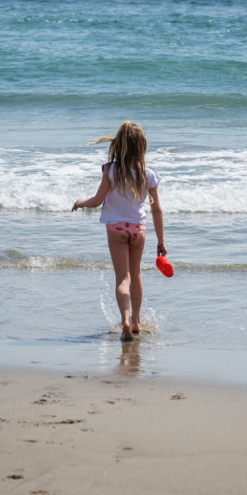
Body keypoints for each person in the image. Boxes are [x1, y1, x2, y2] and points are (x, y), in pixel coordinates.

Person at [72, 121, 166, 341]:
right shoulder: (148, 175)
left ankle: (124, 319)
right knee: (136, 275)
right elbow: (157, 210)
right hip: (138, 230)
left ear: (120, 144)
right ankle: (136, 321)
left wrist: (80, 202)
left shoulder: (111, 170)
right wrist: (161, 241)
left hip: (116, 229)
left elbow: (97, 201)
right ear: (142, 146)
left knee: (122, 278)